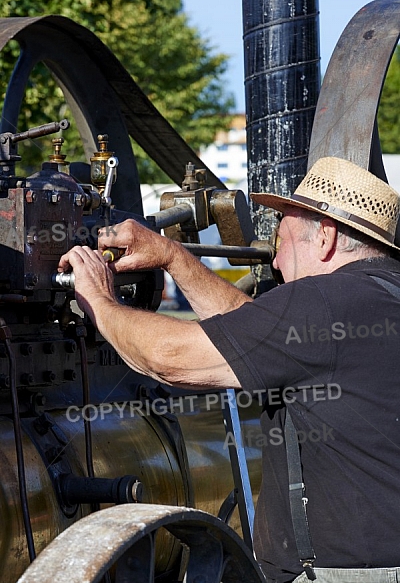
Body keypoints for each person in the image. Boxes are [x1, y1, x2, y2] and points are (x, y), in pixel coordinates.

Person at [58, 156, 400, 583]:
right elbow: (256, 332)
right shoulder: (378, 297)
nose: (274, 263)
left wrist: (97, 296)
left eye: (282, 240)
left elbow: (169, 358)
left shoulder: (324, 301)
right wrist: (173, 257)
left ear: (326, 235)